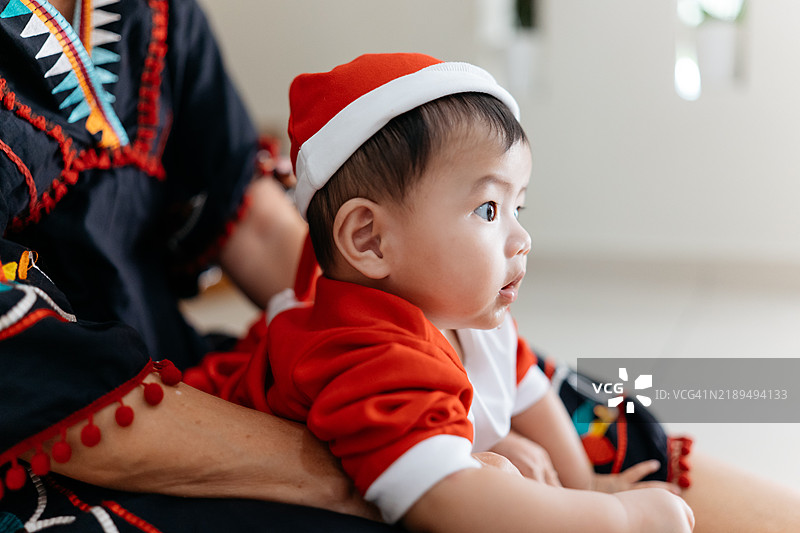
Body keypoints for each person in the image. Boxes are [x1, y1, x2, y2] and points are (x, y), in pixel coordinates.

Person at [197, 52, 694, 532]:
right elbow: (445, 500)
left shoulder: (466, 314)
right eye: (488, 211)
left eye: (518, 208)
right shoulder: (371, 358)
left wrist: (584, 485)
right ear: (370, 239)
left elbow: (529, 392)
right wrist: (622, 520)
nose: (522, 240)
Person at [0, 0, 402, 530]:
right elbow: (32, 376)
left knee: (525, 379)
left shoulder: (160, 12)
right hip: (47, 438)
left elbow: (253, 220)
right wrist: (364, 472)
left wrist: (406, 357)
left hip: (172, 367)